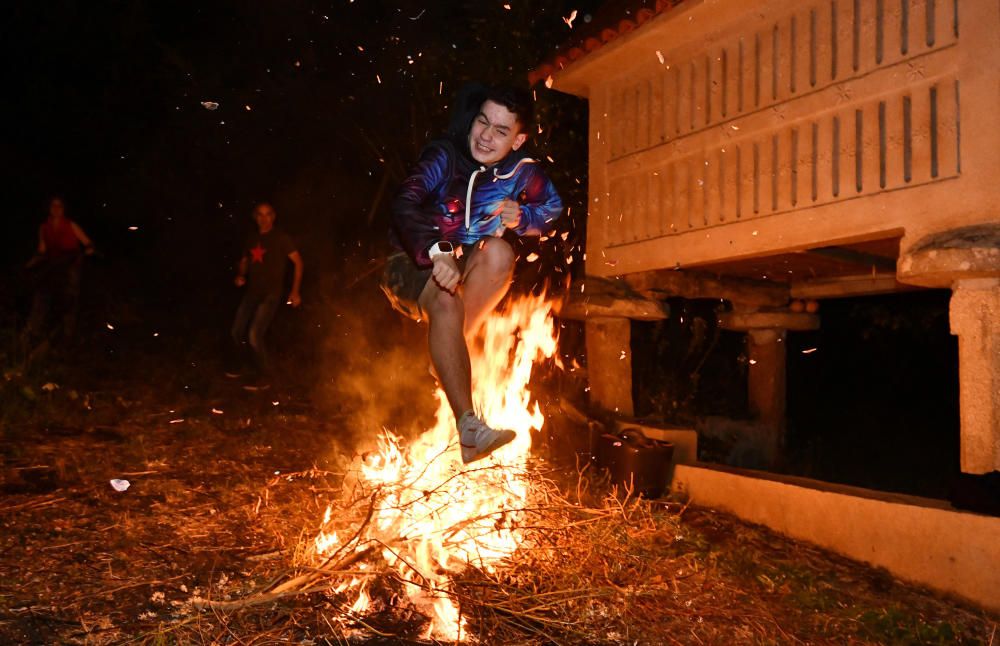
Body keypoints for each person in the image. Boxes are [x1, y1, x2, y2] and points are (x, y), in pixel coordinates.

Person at [381, 83, 563, 464]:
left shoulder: (522, 173)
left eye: (501, 131)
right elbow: (405, 200)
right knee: (446, 298)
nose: (486, 136)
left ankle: (443, 351)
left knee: (500, 253)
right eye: (483, 122)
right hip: (411, 263)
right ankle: (469, 429)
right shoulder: (444, 156)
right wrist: (437, 251)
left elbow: (552, 210)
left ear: (518, 140)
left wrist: (524, 216)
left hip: (465, 263)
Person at [229, 202, 303, 389]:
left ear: (273, 216)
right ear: (255, 217)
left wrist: (295, 291)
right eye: (260, 215)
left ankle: (266, 376)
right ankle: (246, 366)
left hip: (271, 294)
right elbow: (245, 260)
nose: (264, 218)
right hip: (252, 292)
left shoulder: (281, 238)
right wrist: (240, 275)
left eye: (268, 214)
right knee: (236, 331)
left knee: (254, 335)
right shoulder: (252, 238)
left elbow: (298, 263)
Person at [23, 196, 95, 346]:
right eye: (53, 206)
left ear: (63, 209)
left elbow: (87, 242)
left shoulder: (71, 225)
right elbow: (42, 249)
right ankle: (32, 332)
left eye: (59, 206)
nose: (56, 208)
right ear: (49, 208)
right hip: (53, 265)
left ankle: (68, 336)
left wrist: (88, 250)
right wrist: (31, 264)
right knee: (42, 294)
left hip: (70, 264)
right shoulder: (44, 227)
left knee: (69, 298)